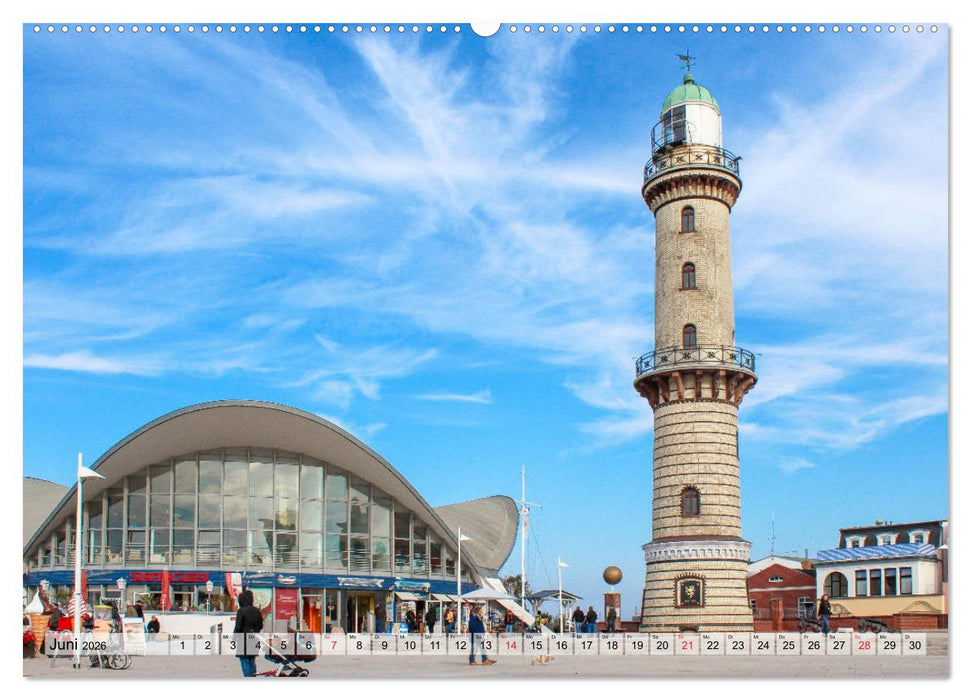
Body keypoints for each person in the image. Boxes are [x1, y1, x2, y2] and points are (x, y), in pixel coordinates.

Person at [234, 589, 264, 677]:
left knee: (244, 659)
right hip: (254, 638)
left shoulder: (241, 611)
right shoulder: (257, 611)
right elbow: (261, 626)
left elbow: (238, 626)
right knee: (252, 659)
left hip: (243, 639)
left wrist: (234, 638)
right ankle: (253, 676)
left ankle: (247, 677)